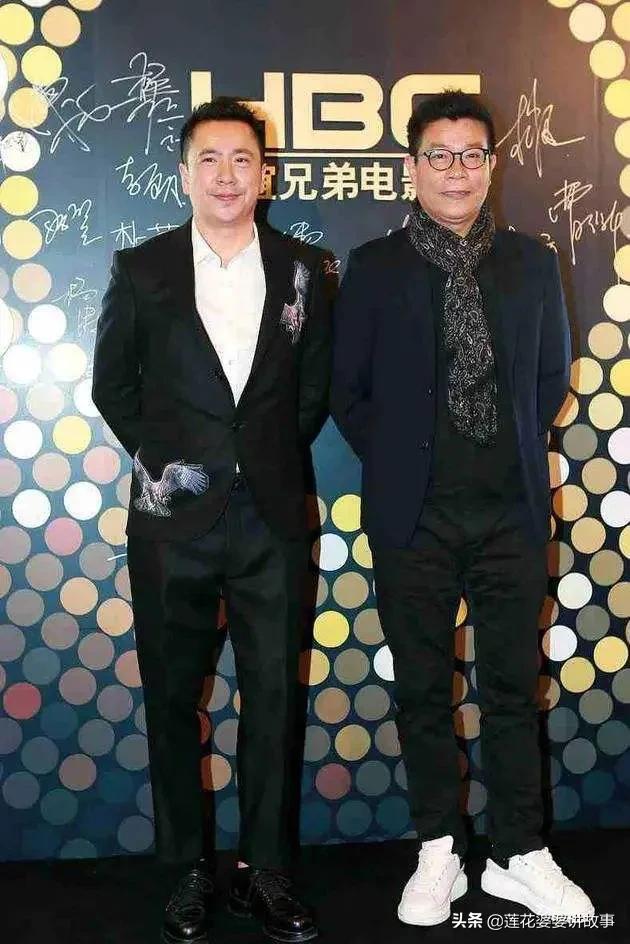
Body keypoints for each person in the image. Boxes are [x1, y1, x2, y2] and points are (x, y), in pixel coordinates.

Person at [330, 90, 594, 927]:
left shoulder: (531, 263)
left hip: (511, 511)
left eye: (471, 154)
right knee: (422, 690)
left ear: (491, 164)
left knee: (513, 688)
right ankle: (439, 847)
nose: (455, 170)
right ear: (412, 167)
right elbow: (347, 391)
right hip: (413, 517)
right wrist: (405, 462)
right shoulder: (374, 267)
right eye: (438, 155)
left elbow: (550, 379)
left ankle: (519, 853)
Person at [93, 96, 331, 944]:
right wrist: (177, 462)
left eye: (243, 160)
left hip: (272, 518)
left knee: (273, 699)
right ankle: (187, 869)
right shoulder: (142, 268)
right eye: (210, 159)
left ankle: (265, 871)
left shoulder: (307, 268)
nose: (227, 175)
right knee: (170, 698)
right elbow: (112, 387)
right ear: (184, 174)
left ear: (266, 176)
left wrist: (254, 461)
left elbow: (311, 393)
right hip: (171, 524)